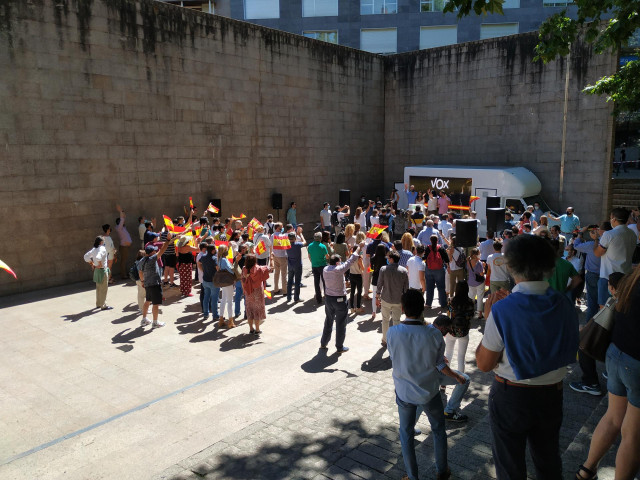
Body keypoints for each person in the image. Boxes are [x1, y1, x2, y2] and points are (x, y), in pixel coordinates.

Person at [476, 234, 579, 480]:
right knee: (548, 460)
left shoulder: (502, 309)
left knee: (510, 465)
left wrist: (491, 316)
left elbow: (484, 364)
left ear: (510, 266)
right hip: (552, 394)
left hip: (512, 396)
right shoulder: (565, 305)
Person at [387, 290, 465, 480]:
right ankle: (442, 470)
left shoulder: (393, 332)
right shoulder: (433, 333)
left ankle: (413, 477)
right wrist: (456, 376)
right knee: (438, 430)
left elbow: (394, 358)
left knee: (405, 435)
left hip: (404, 392)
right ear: (423, 308)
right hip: (429, 392)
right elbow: (440, 365)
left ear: (403, 309)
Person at [575, 268, 640, 479]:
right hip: (636, 362)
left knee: (612, 418)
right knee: (632, 436)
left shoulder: (633, 275)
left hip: (616, 353)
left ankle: (586, 469)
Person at [570, 272, 624, 396]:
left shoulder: (613, 302)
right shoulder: (625, 299)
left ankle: (591, 383)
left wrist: (583, 330)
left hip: (614, 343)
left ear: (612, 288)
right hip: (619, 340)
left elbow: (600, 324)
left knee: (583, 344)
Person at [320, 242, 365, 353]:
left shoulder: (325, 269)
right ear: (337, 263)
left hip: (329, 299)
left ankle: (324, 343)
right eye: (340, 262)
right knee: (340, 323)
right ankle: (339, 347)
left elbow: (346, 262)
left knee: (329, 320)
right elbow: (351, 260)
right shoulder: (338, 269)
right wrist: (359, 247)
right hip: (339, 299)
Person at [594, 208, 637, 308]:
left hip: (608, 277)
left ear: (614, 219)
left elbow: (597, 253)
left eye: (610, 218)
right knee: (620, 307)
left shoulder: (608, 234)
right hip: (625, 276)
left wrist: (596, 240)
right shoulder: (632, 234)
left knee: (604, 310)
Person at [138, 236, 173, 328]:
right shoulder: (152, 258)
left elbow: (140, 272)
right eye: (154, 250)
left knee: (147, 301)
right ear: (152, 252)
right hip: (155, 284)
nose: (155, 251)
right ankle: (155, 322)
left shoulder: (142, 260)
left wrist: (142, 281)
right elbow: (163, 250)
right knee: (156, 304)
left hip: (147, 284)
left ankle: (144, 319)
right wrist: (168, 240)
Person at [376, 250, 409, 347]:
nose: (387, 259)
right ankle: (396, 339)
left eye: (388, 258)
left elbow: (379, 285)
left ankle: (385, 339)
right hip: (398, 300)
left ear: (391, 259)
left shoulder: (383, 269)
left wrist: (377, 297)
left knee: (385, 319)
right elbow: (406, 288)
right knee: (396, 320)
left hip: (386, 298)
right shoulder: (403, 271)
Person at [445, 280, 474, 373]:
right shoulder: (471, 302)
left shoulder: (451, 301)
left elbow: (448, 314)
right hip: (464, 332)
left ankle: (444, 382)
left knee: (448, 354)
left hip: (451, 331)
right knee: (461, 357)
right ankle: (461, 381)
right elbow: (471, 316)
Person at [241, 254, 272, 335]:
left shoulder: (244, 269)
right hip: (258, 292)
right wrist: (271, 258)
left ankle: (251, 329)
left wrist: (244, 290)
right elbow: (271, 269)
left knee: (250, 310)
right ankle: (257, 329)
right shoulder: (259, 269)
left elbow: (242, 280)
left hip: (249, 292)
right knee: (257, 310)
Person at [84, 236, 112, 310]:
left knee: (99, 288)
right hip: (102, 270)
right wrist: (99, 264)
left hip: (97, 270)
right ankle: (103, 305)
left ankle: (99, 303)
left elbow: (86, 256)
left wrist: (92, 264)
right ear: (101, 242)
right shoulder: (102, 248)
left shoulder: (94, 249)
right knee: (104, 288)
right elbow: (98, 257)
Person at [424, 234, 449, 309]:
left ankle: (428, 303)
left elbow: (424, 257)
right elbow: (447, 259)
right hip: (439, 270)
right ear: (437, 240)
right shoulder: (441, 248)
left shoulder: (427, 248)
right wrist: (448, 267)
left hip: (429, 269)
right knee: (441, 287)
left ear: (430, 240)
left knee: (429, 287)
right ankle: (443, 303)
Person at [198, 243, 220, 323]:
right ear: (213, 250)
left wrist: (203, 270)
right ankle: (215, 315)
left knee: (206, 297)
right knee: (214, 299)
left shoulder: (203, 257)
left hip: (205, 280)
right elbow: (217, 268)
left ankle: (205, 314)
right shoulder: (214, 258)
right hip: (213, 281)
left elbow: (199, 263)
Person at [308, 231, 329, 303]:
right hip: (322, 265)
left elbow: (309, 256)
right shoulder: (323, 246)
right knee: (325, 281)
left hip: (314, 266)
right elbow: (327, 256)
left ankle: (318, 298)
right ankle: (327, 296)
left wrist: (313, 261)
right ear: (320, 238)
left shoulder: (310, 246)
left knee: (316, 282)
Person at [465, 247, 485, 317]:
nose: (480, 255)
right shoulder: (479, 263)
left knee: (471, 297)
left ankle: (469, 311)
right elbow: (481, 273)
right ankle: (479, 313)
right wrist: (484, 267)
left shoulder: (468, 261)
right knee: (480, 297)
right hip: (479, 282)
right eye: (479, 254)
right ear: (475, 255)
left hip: (471, 282)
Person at [114, 205, 132, 280]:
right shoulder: (119, 228)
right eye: (122, 221)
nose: (123, 221)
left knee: (125, 261)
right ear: (119, 223)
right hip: (124, 247)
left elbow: (123, 217)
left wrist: (122, 212)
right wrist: (120, 211)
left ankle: (125, 273)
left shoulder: (123, 227)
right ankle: (123, 275)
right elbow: (122, 219)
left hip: (126, 247)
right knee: (123, 261)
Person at [270, 222, 288, 296]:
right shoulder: (282, 236)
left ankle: (276, 289)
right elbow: (285, 246)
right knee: (284, 274)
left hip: (275, 255)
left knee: (276, 273)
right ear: (278, 228)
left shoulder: (272, 235)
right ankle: (285, 291)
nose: (282, 227)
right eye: (281, 226)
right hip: (282, 256)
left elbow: (271, 245)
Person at [286, 232, 304, 303]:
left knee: (290, 281)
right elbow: (304, 242)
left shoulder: (287, 245)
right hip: (298, 265)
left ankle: (288, 297)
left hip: (290, 265)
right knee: (297, 282)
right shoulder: (297, 244)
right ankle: (296, 298)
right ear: (295, 238)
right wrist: (301, 235)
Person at [348, 241, 365, 314]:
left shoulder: (350, 257)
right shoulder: (359, 258)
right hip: (358, 275)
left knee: (352, 291)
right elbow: (363, 268)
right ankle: (358, 307)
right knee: (359, 291)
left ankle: (351, 307)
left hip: (351, 275)